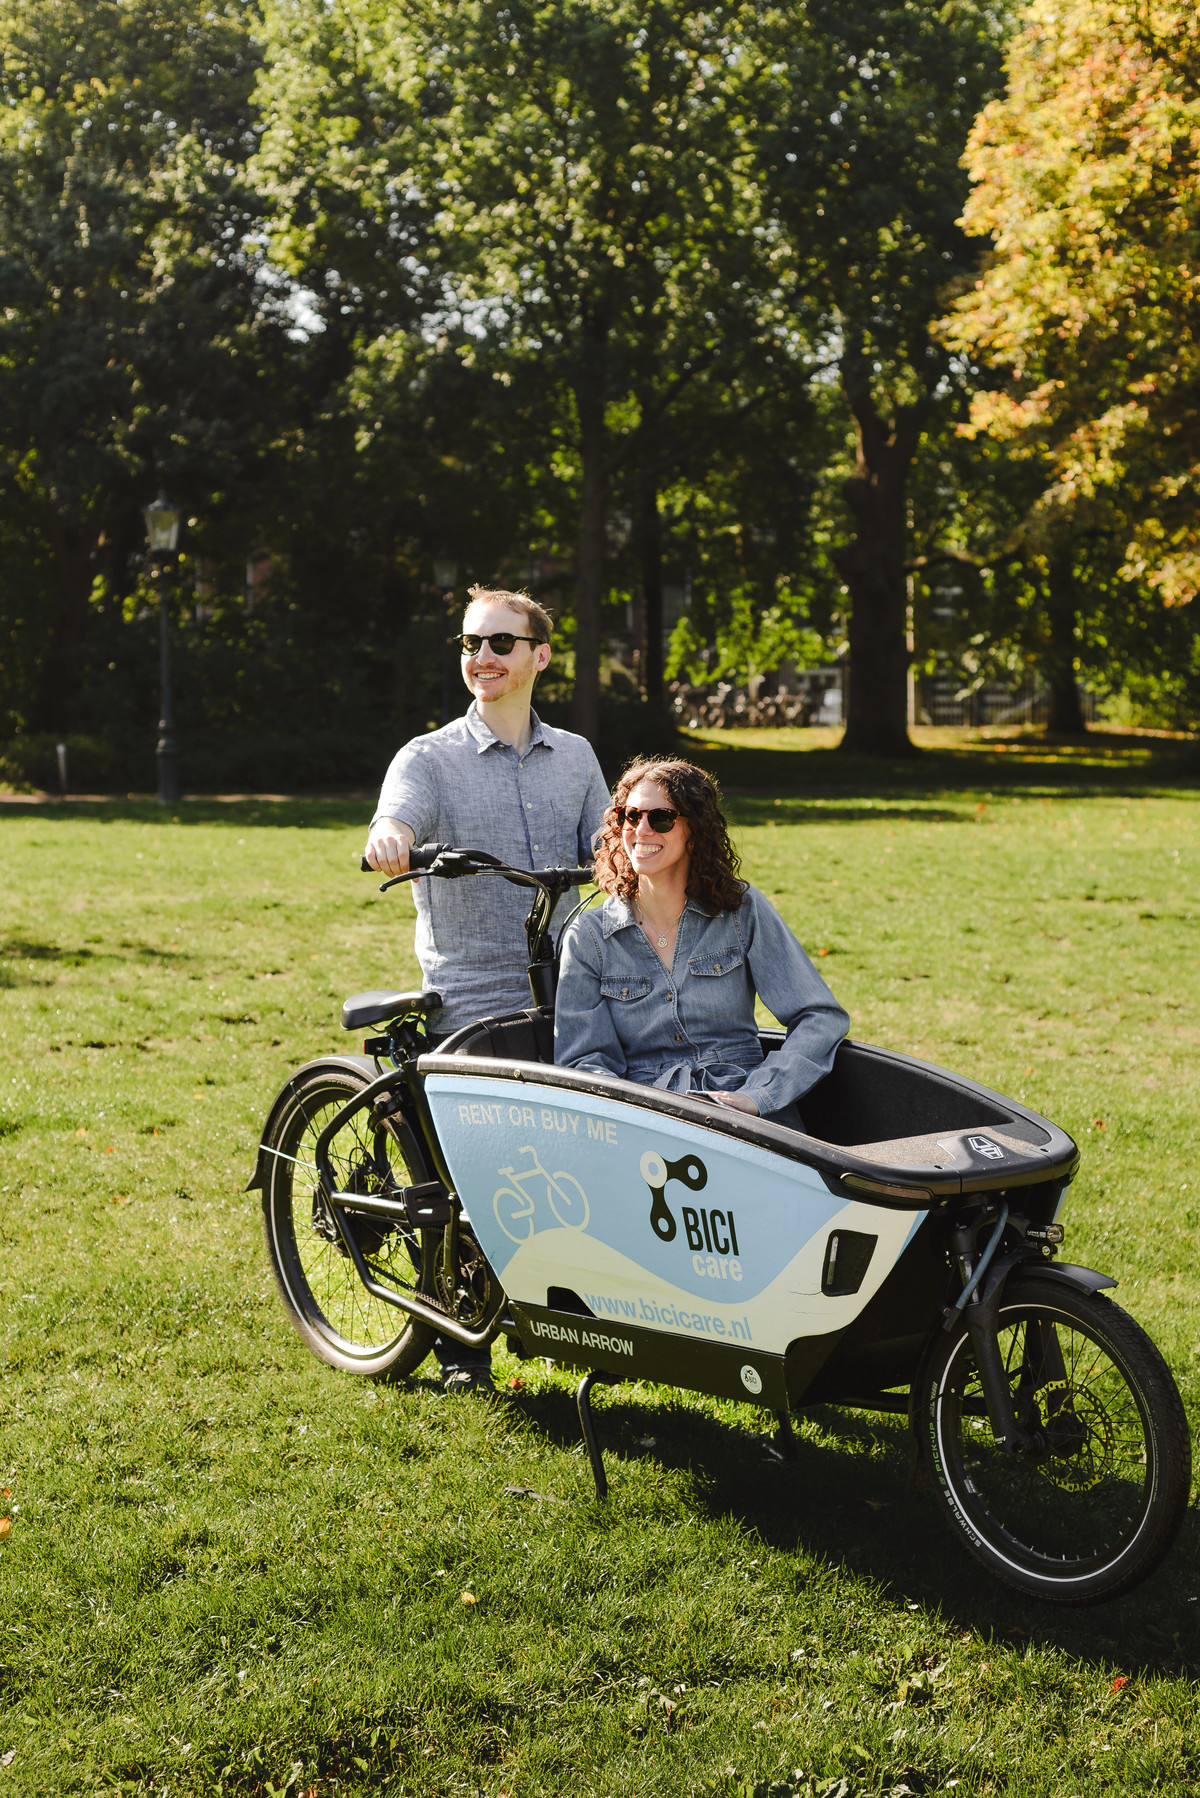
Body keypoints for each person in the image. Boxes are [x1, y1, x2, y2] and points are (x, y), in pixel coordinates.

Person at [365, 586, 609, 1390]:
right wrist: (393, 836)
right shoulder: (427, 758)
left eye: (501, 643)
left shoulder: (573, 757)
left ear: (540, 655)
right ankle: (457, 1341)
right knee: (476, 1171)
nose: (482, 658)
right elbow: (394, 817)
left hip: (566, 983)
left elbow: (609, 846)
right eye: (470, 643)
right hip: (468, 992)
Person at [553, 757, 848, 1124]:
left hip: (747, 1116)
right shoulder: (589, 938)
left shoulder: (740, 911)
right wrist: (637, 1116)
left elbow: (820, 1016)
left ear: (696, 829)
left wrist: (759, 1095)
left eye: (660, 818)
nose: (642, 830)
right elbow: (585, 1062)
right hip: (646, 1118)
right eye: (630, 816)